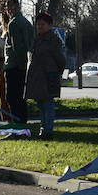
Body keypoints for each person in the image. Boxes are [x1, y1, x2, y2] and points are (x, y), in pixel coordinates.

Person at [27, 11, 65, 139]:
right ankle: (43, 128)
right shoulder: (37, 39)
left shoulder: (54, 40)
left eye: (42, 24)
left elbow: (60, 59)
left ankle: (48, 130)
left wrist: (56, 72)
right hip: (38, 77)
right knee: (41, 104)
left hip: (49, 76)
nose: (39, 27)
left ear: (49, 25)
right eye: (38, 24)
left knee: (48, 104)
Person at [3, 0, 33, 124]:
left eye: (11, 7)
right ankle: (22, 125)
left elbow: (17, 47)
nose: (10, 10)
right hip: (23, 64)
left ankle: (18, 126)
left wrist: (20, 64)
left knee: (12, 97)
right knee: (21, 97)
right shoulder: (27, 22)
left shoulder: (13, 23)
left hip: (14, 65)